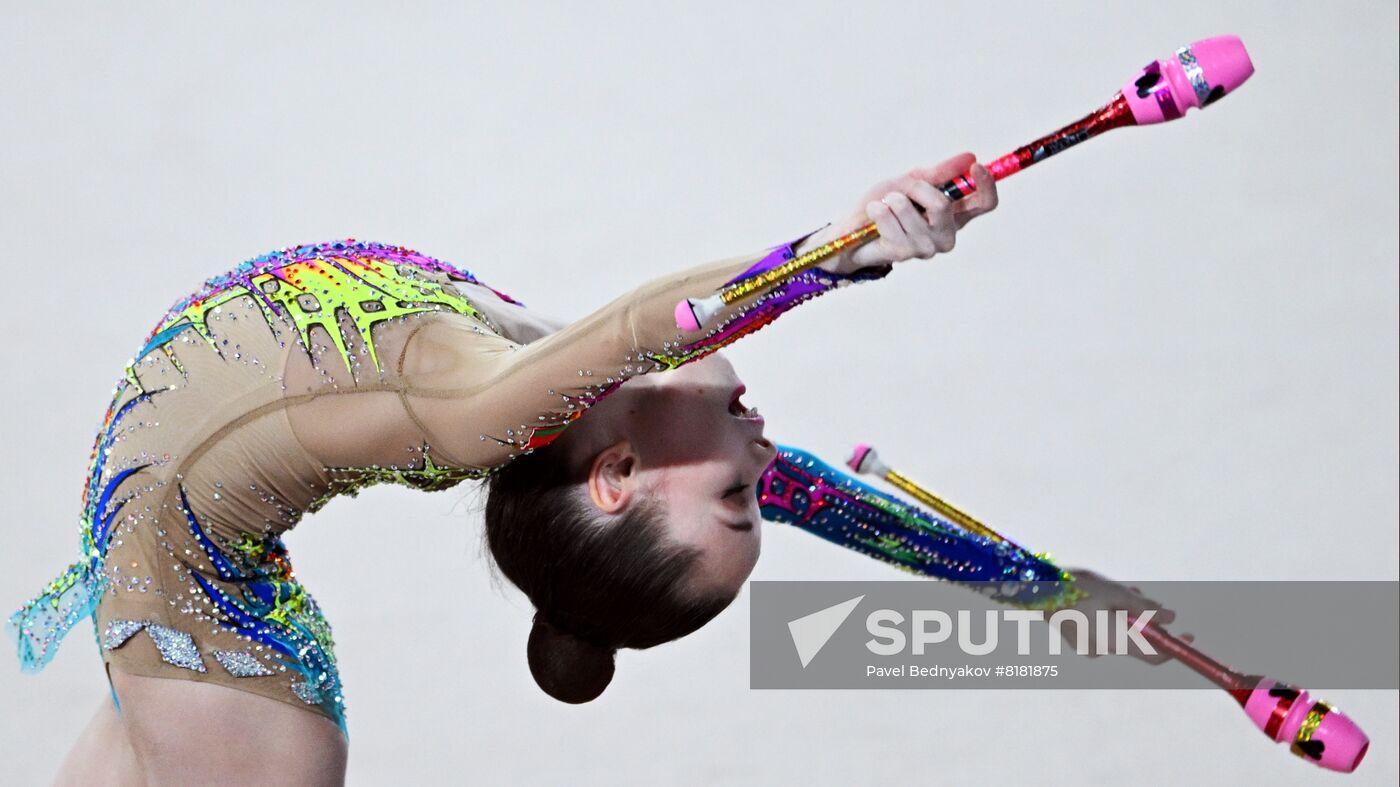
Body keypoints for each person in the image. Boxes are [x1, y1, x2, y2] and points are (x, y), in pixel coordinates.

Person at [9, 153, 1168, 785]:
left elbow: (648, 326)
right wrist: (1044, 591)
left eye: (735, 496)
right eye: (752, 498)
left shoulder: (492, 409)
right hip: (169, 554)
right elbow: (834, 499)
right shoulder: (566, 395)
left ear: (613, 480)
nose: (767, 461)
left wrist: (843, 253)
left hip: (193, 604)